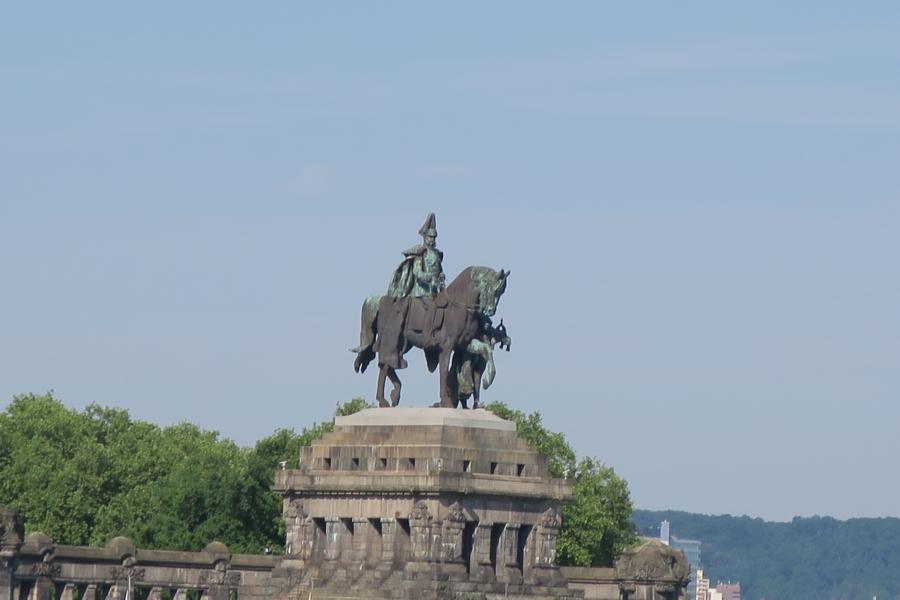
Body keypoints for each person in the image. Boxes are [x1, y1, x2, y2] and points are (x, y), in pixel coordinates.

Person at [387, 213, 445, 298]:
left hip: (435, 291)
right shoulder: (420, 252)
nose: (432, 239)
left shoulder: (437, 254)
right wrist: (429, 277)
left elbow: (439, 270)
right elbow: (417, 271)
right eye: (430, 237)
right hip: (421, 292)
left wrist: (441, 276)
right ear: (425, 237)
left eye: (434, 237)